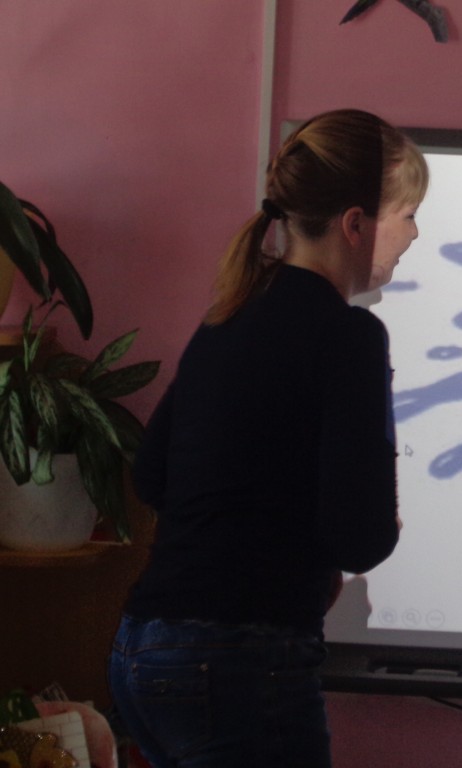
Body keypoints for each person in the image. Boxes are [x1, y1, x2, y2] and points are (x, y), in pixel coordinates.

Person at [107, 109, 428, 768]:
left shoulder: (230, 312)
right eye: (407, 214)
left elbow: (153, 475)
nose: (415, 234)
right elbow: (359, 537)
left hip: (144, 650)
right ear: (356, 225)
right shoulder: (350, 337)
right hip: (240, 662)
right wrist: (377, 525)